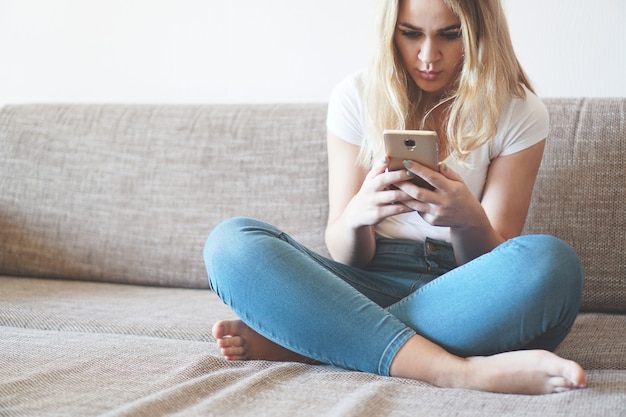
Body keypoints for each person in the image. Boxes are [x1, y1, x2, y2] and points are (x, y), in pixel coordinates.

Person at [204, 0, 587, 395]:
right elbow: (346, 254)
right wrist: (358, 216)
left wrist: (467, 220)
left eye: (449, 35)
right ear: (391, 31)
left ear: (478, 32)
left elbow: (497, 263)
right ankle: (454, 370)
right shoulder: (355, 96)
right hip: (361, 282)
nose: (428, 55)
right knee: (231, 244)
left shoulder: (519, 110)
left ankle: (316, 340)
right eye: (411, 33)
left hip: (464, 292)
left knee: (551, 263)